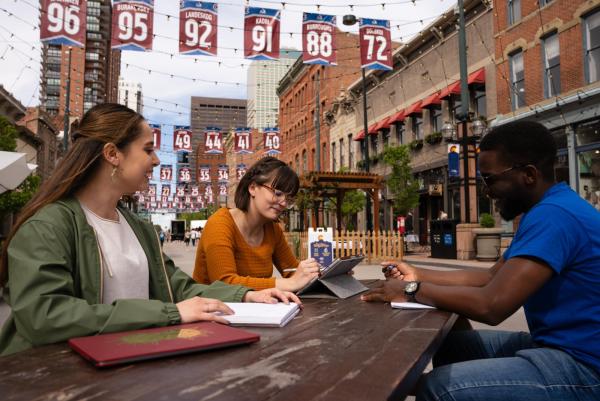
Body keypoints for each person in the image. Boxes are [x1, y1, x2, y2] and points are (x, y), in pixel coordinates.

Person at [0, 104, 299, 356]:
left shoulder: (139, 228)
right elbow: (45, 316)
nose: (156, 160)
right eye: (147, 150)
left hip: (129, 368)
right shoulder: (48, 226)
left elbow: (179, 287)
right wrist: (172, 313)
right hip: (54, 379)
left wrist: (246, 295)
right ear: (112, 154)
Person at [362, 120, 600, 401]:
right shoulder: (550, 208)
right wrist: (417, 272)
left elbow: (493, 305)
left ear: (529, 174)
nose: (486, 190)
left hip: (584, 366)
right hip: (557, 346)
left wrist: (410, 290)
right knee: (452, 345)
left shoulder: (554, 216)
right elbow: (489, 277)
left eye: (489, 179)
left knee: (439, 388)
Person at [193, 157, 320, 291]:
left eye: (288, 198)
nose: (283, 203)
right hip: (211, 309)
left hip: (255, 309)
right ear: (253, 188)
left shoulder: (272, 229)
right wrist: (289, 283)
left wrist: (313, 275)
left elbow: (291, 271)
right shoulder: (219, 224)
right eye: (277, 193)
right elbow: (224, 284)